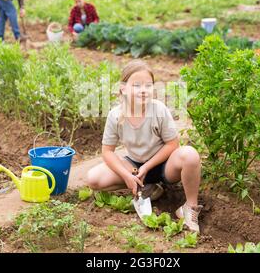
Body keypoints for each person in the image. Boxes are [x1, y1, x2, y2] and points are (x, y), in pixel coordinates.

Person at [86, 60, 203, 233]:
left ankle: (190, 208)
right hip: (135, 167)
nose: (143, 90)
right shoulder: (115, 115)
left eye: (148, 85)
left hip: (164, 166)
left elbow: (173, 144)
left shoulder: (159, 110)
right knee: (93, 178)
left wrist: (148, 166)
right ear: (123, 88)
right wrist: (126, 175)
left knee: (190, 155)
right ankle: (148, 188)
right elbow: (107, 151)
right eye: (137, 85)